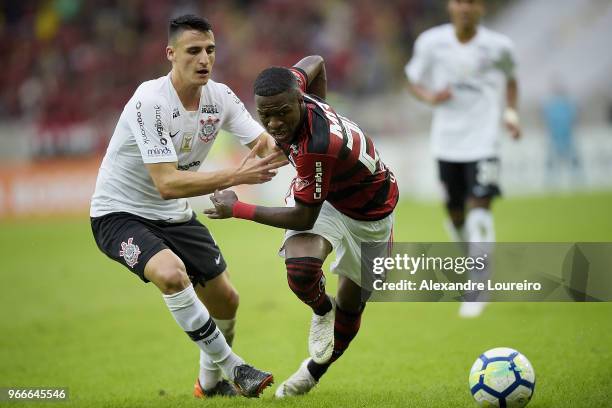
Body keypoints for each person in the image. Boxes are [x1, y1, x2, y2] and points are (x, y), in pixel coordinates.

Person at [89, 14, 286, 398]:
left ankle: (209, 386)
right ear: (170, 54)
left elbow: (268, 148)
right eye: (193, 51)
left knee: (226, 300)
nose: (204, 60)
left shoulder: (221, 98)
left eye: (210, 50)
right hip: (119, 214)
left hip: (174, 215)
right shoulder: (150, 101)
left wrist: (310, 140)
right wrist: (235, 177)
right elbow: (167, 183)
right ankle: (235, 367)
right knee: (171, 273)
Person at [205, 55, 399, 397]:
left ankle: (313, 372)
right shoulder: (293, 86)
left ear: (298, 99)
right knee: (301, 270)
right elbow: (317, 61)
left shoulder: (318, 147)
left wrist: (238, 208)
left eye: (283, 113)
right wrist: (320, 105)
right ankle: (322, 309)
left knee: (352, 307)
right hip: (327, 198)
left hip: (371, 214)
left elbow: (303, 218)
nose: (275, 123)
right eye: (266, 115)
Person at [404, 0, 520, 317]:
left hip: (485, 142)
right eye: (459, 2)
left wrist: (510, 114)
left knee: (480, 208)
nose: (465, 8)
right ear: (450, 6)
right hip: (447, 143)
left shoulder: (499, 46)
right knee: (455, 214)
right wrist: (430, 97)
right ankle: (473, 259)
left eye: (472, 2)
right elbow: (413, 80)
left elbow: (511, 80)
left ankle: (479, 282)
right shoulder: (431, 42)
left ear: (481, 8)